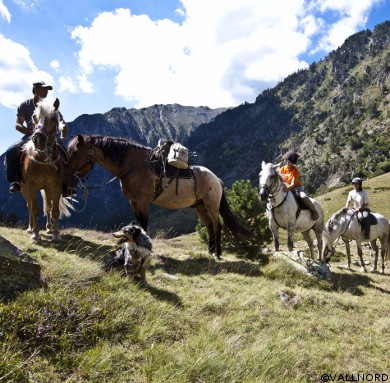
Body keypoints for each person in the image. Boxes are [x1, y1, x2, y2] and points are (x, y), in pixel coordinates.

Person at [4, 81, 68, 193]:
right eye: (44, 88)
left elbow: (62, 123)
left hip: (51, 138)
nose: (46, 91)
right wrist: (29, 132)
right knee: (11, 152)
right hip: (30, 136)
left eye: (47, 89)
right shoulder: (25, 105)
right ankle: (16, 181)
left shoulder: (51, 106)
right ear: (35, 90)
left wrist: (62, 137)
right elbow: (18, 124)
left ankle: (66, 184)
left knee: (66, 153)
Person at [280, 151, 319, 220]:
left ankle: (314, 211)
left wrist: (287, 189)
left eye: (291, 162)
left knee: (303, 196)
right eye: (288, 161)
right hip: (286, 187)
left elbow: (293, 184)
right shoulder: (282, 169)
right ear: (286, 160)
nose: (289, 163)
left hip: (296, 187)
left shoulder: (295, 170)